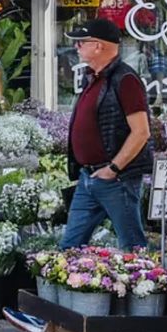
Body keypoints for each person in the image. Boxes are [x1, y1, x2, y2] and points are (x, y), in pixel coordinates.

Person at [57, 17, 153, 251]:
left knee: (132, 245)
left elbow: (141, 132)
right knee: (69, 246)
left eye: (82, 42)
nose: (77, 47)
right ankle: (70, 286)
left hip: (115, 179)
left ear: (99, 46)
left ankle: (145, 286)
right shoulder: (95, 78)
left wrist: (114, 169)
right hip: (88, 177)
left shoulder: (125, 79)